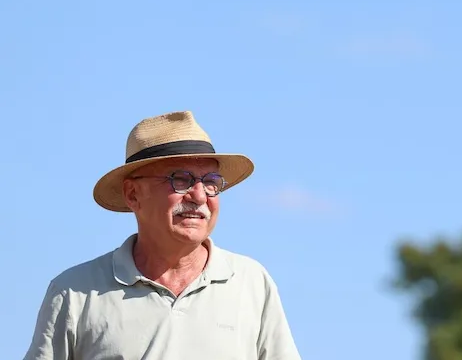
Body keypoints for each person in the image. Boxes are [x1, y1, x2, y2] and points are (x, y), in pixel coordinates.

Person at [23, 110, 303, 360]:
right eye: (180, 180)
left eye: (210, 182)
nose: (199, 196)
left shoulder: (252, 282)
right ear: (133, 194)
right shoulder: (74, 292)